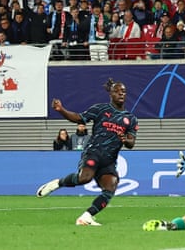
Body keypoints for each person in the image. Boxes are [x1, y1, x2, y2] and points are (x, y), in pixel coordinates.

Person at [37, 78, 139, 226]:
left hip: (109, 160)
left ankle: (86, 217)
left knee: (110, 188)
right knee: (85, 178)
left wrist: (125, 140)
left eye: (123, 91)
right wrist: (62, 110)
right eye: (117, 91)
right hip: (94, 152)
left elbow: (131, 143)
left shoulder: (131, 119)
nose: (121, 94)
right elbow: (79, 118)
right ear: (111, 94)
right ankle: (57, 183)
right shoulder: (100, 109)